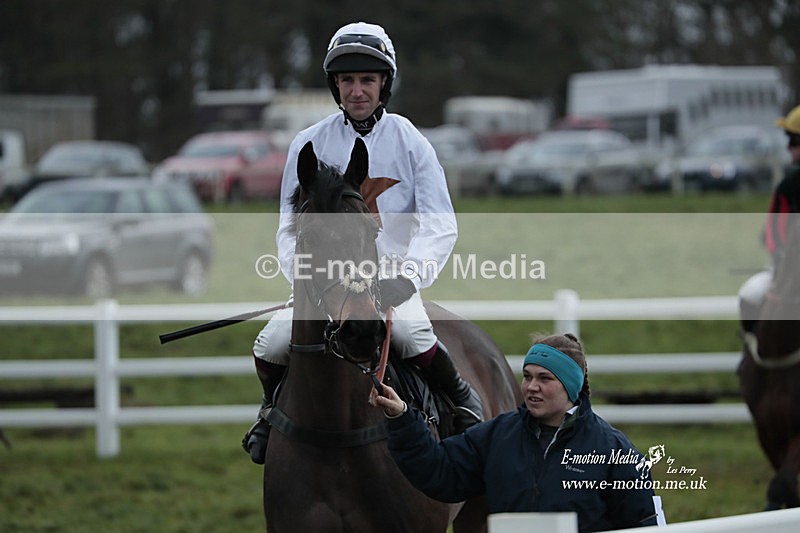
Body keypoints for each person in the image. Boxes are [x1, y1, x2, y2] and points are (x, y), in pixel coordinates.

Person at [242, 21, 483, 464]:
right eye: (347, 80)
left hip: (390, 280)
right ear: (335, 85)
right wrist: (308, 279)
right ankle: (268, 410)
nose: (357, 91)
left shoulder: (411, 142)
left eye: (367, 80)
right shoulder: (307, 143)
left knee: (410, 332)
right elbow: (288, 229)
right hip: (324, 281)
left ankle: (462, 400)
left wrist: (407, 278)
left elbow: (440, 224)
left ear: (384, 84)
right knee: (271, 343)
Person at [371, 333, 661, 532]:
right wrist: (403, 418)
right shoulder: (497, 435)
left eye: (544, 378)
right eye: (527, 376)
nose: (531, 387)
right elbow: (440, 472)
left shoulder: (614, 450)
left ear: (570, 386)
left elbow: (645, 523)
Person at [739, 104, 800, 331]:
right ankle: (753, 349)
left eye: (794, 141)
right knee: (751, 294)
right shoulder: (788, 187)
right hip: (789, 270)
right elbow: (774, 233)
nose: (788, 147)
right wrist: (784, 263)